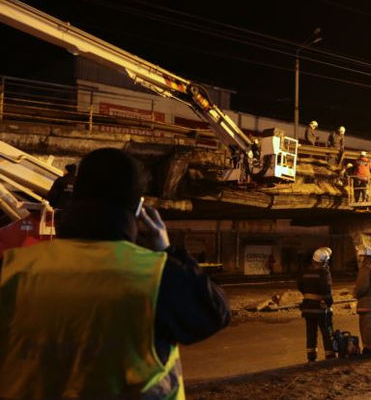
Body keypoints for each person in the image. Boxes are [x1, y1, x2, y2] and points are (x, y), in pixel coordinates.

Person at [0, 148, 231, 399]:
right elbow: (215, 312)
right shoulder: (156, 275)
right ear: (138, 208)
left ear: (74, 197)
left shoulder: (12, 268)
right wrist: (167, 250)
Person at [297, 247, 335, 362]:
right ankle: (330, 356)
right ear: (324, 262)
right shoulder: (324, 272)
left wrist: (308, 296)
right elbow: (325, 289)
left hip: (307, 307)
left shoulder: (305, 271)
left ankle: (311, 357)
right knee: (327, 332)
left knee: (311, 333)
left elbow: (300, 286)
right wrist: (329, 303)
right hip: (320, 308)